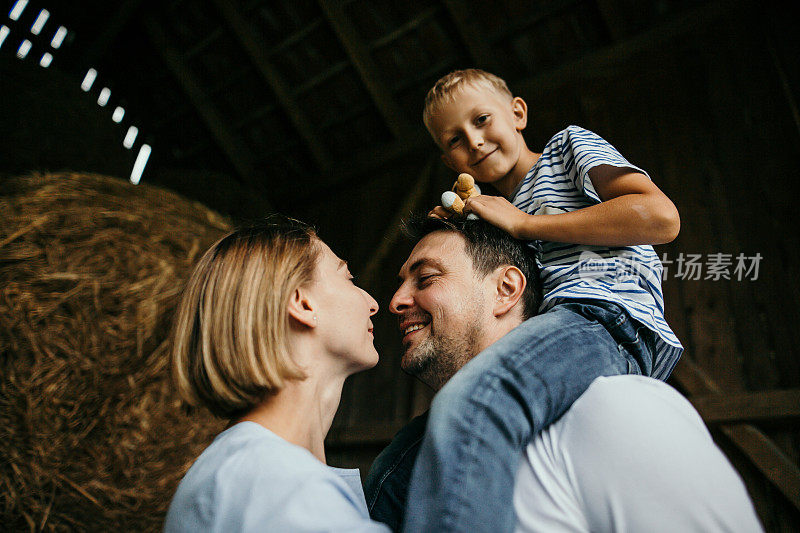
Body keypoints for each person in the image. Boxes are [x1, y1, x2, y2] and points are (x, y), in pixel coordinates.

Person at [395, 68, 685, 531]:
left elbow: (660, 217)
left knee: (479, 400)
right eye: (454, 139)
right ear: (450, 162)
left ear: (518, 113)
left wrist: (526, 225)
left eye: (483, 119)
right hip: (556, 331)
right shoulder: (490, 212)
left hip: (604, 318)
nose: (473, 139)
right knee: (400, 461)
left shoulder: (566, 151)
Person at [366, 216, 762, 532]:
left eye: (427, 278)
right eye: (401, 283)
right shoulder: (404, 468)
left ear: (506, 289)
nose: (396, 301)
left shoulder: (616, 410)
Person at [164, 217, 389, 532]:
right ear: (302, 302)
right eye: (348, 278)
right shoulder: (280, 485)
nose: (373, 303)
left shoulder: (252, 471)